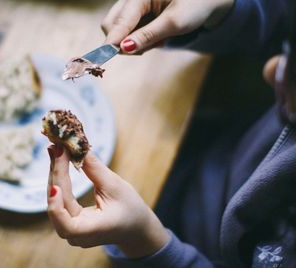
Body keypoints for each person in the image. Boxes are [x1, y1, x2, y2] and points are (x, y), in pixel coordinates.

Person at [46, 0, 296, 267]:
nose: (271, 71)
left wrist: (143, 242)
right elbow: (281, 18)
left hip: (180, 242)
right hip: (206, 147)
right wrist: (224, 10)